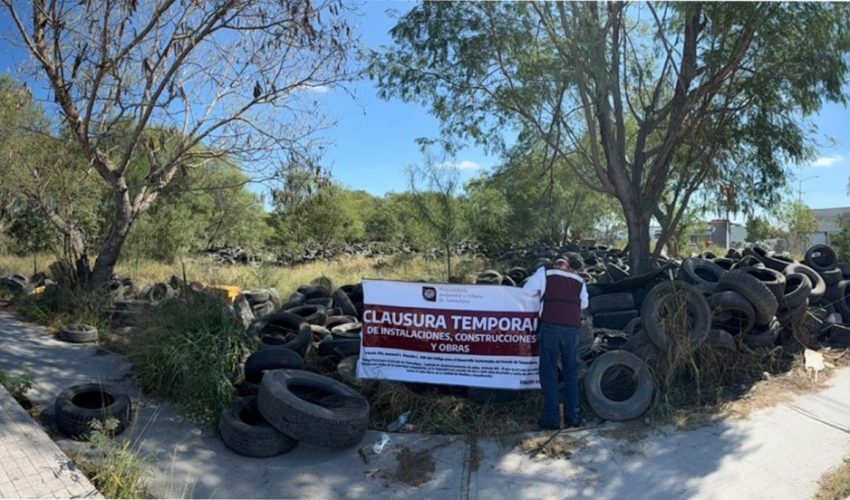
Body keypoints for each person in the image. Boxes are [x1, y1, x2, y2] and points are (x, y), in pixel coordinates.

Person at [523, 253, 588, 430]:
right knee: (571, 372)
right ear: (569, 266)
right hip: (572, 330)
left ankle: (552, 419)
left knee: (549, 371)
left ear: (555, 264)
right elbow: (584, 305)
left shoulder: (545, 273)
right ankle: (573, 418)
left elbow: (527, 290)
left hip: (551, 326)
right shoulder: (579, 280)